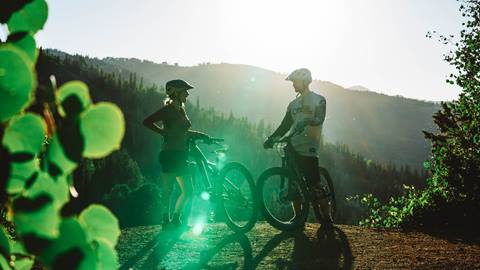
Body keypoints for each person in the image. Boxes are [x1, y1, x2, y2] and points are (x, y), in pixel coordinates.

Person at [263, 68, 333, 229]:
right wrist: (271, 138)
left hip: (309, 147)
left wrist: (307, 121)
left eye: (295, 81)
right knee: (292, 183)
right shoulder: (292, 105)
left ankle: (327, 217)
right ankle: (298, 217)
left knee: (314, 184)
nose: (293, 84)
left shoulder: (319, 100)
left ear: (305, 81)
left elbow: (320, 118)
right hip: (293, 145)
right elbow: (284, 125)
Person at [143, 79, 209, 230]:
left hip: (180, 155)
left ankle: (176, 218)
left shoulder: (181, 110)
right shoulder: (167, 110)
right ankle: (166, 220)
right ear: (176, 92)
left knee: (189, 191)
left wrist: (202, 135)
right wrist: (162, 132)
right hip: (170, 154)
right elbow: (147, 121)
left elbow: (183, 132)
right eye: (184, 91)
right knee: (168, 189)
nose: (187, 93)